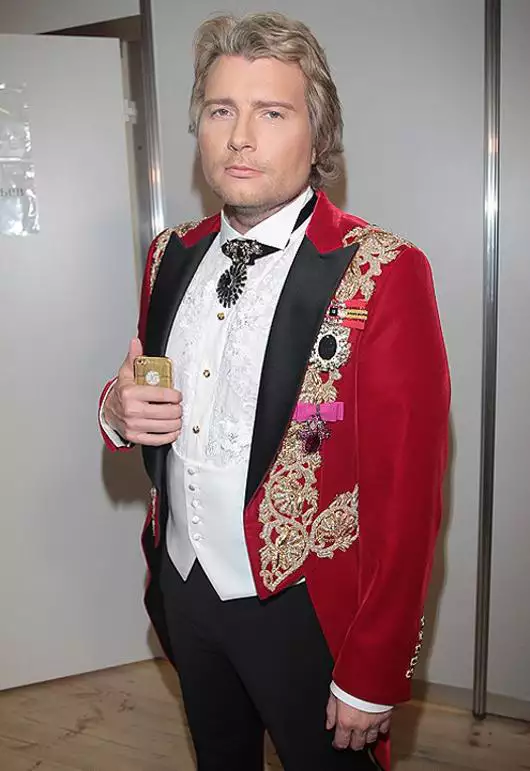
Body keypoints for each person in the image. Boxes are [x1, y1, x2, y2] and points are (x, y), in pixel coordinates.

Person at [99, 11, 450, 771]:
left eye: (272, 112)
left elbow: (408, 494)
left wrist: (374, 666)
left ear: (318, 137)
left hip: (308, 611)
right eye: (220, 110)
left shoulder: (383, 271)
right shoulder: (169, 256)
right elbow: (139, 383)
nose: (240, 137)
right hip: (185, 591)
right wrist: (116, 411)